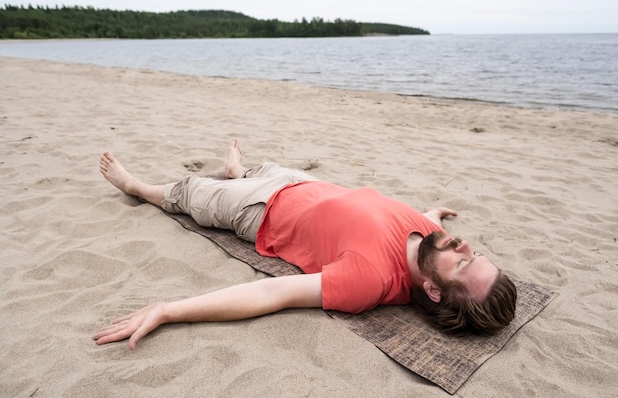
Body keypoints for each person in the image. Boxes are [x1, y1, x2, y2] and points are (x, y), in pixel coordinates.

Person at [93, 140, 516, 349]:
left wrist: (168, 310)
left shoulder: (369, 280)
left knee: (188, 194)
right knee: (265, 167)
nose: (463, 248)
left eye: (462, 264)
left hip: (260, 209)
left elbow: (270, 293)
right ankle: (238, 169)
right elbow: (430, 225)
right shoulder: (432, 241)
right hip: (302, 183)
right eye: (473, 254)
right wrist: (435, 214)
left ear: (434, 291)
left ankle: (137, 186)